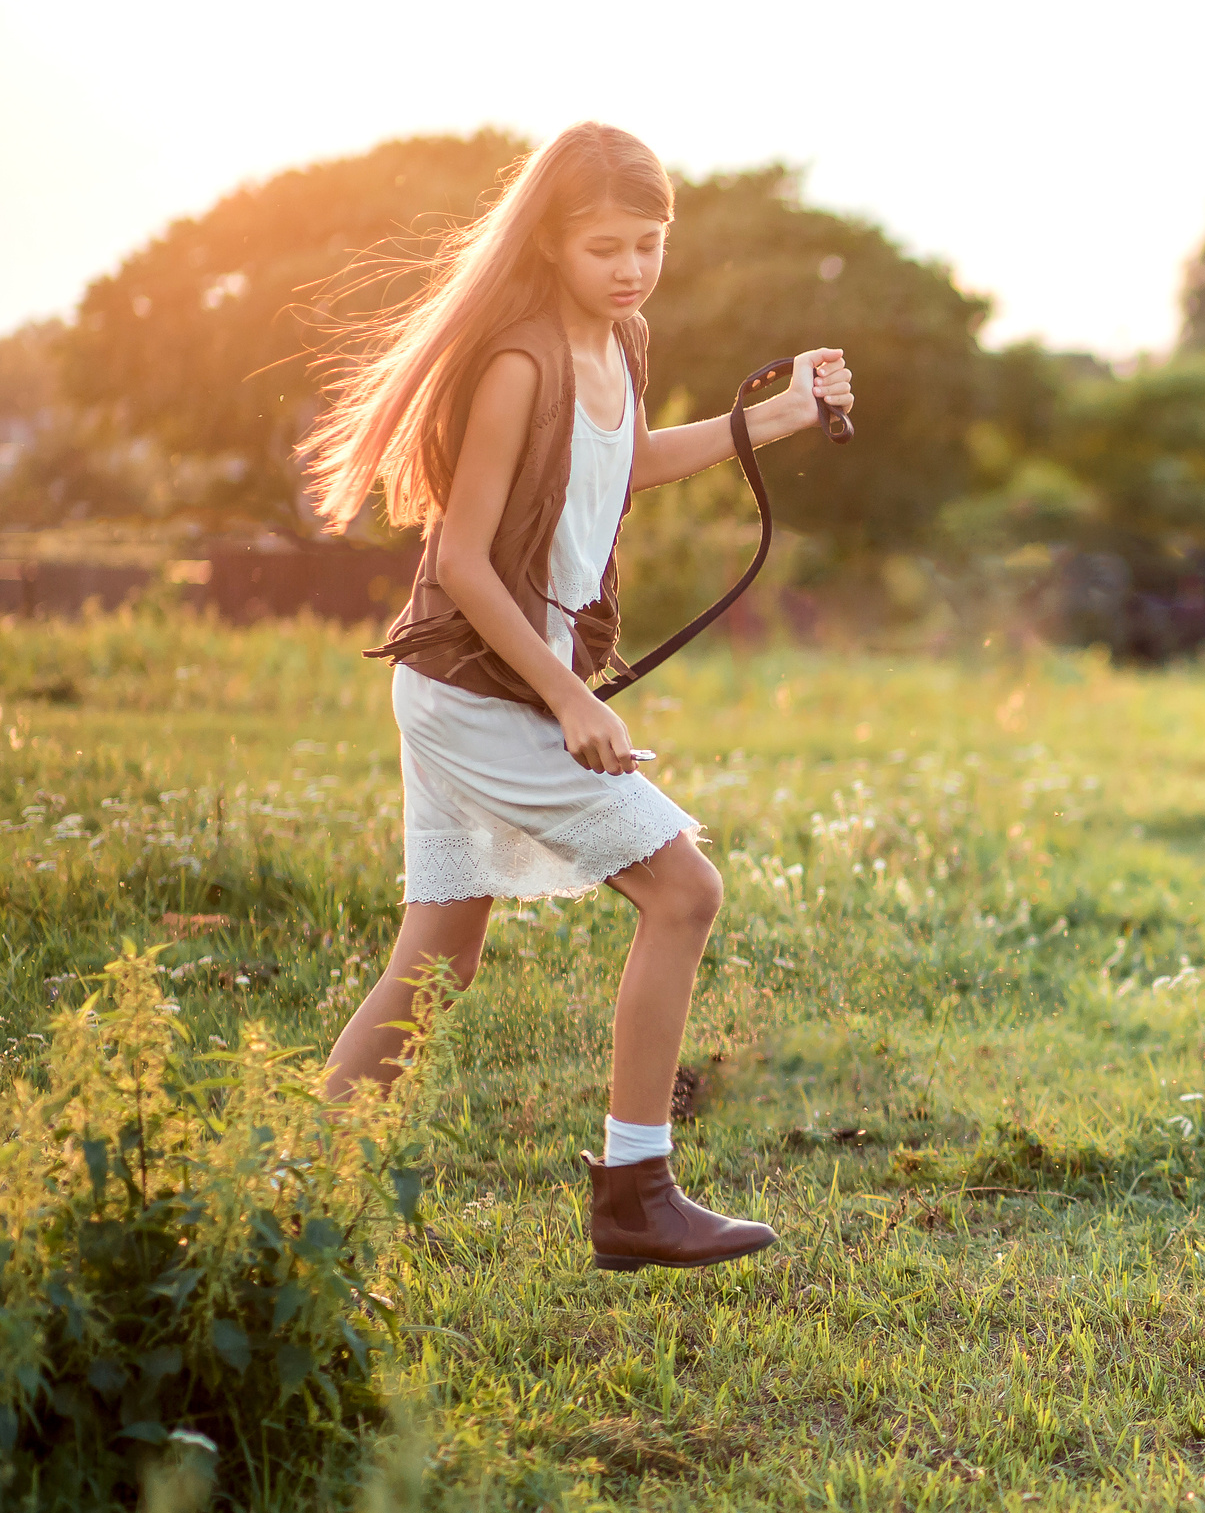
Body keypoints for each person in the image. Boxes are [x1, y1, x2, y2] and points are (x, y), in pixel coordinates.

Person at [297, 122, 851, 1272]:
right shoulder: (516, 363)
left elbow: (629, 458)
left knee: (438, 960)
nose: (631, 267)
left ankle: (291, 1194)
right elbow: (459, 563)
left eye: (648, 244)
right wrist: (570, 699)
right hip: (476, 687)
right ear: (548, 240)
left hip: (490, 689)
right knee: (683, 892)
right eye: (605, 246)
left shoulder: (623, 341)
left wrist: (782, 412)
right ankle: (636, 1190)